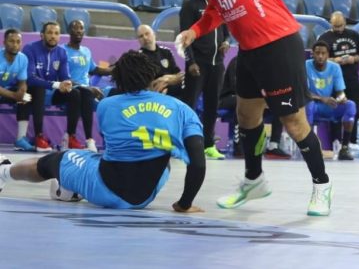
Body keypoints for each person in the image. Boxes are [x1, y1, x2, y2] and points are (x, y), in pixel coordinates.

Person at [177, 0, 333, 216]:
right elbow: (216, 11)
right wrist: (194, 30)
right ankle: (254, 179)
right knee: (246, 115)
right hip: (248, 50)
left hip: (278, 43)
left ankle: (322, 185)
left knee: (294, 122)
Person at [0, 50, 206, 214]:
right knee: (160, 156)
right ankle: (69, 188)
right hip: (144, 197)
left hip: (105, 189)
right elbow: (198, 163)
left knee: (53, 161)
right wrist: (184, 205)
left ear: (117, 79)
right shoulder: (181, 109)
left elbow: (123, 109)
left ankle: (4, 173)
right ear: (152, 74)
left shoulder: (107, 105)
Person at [180, 0, 230, 160]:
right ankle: (183, 143)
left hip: (217, 64)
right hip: (197, 65)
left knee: (212, 106)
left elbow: (226, 30)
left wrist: (226, 42)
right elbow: (184, 36)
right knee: (190, 105)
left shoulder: (220, 4)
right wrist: (191, 62)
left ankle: (209, 144)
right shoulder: (191, 5)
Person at [218, 56, 292, 159]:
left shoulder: (263, 64)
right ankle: (238, 146)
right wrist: (259, 99)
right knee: (241, 103)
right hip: (229, 97)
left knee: (278, 105)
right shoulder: (238, 61)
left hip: (254, 99)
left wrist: (268, 98)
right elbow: (237, 87)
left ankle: (273, 146)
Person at [22, 22, 75, 152]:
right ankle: (39, 136)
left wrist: (67, 84)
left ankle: (70, 138)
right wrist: (56, 84)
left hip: (52, 93)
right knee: (39, 89)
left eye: (56, 33)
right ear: (42, 35)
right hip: (32, 93)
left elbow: (65, 77)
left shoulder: (62, 52)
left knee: (76, 94)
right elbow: (30, 78)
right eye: (50, 33)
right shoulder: (30, 49)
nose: (53, 36)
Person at [63, 20, 113, 152]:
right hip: (69, 89)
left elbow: (95, 69)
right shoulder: (62, 50)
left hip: (85, 91)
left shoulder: (86, 51)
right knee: (84, 93)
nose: (79, 31)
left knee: (87, 94)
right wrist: (88, 88)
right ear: (69, 31)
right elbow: (64, 76)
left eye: (81, 28)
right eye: (75, 28)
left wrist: (114, 69)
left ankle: (89, 140)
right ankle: (79, 138)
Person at [318, 12, 359, 143]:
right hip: (334, 82)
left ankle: (352, 142)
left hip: (352, 79)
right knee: (335, 111)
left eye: (340, 26)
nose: (338, 29)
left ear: (345, 23)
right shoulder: (324, 38)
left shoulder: (354, 35)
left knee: (356, 111)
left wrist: (354, 58)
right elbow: (318, 59)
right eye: (335, 26)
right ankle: (336, 142)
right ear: (331, 24)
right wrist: (335, 60)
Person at [305, 41, 357, 160]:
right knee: (309, 105)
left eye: (323, 53)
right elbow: (303, 92)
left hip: (328, 106)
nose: (320, 56)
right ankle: (309, 147)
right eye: (317, 53)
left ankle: (344, 149)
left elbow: (340, 91)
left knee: (350, 105)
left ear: (328, 54)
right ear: (312, 54)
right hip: (313, 106)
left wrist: (341, 98)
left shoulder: (335, 67)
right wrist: (322, 98)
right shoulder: (305, 65)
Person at [0, 29, 34, 152]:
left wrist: (21, 92)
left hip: (7, 90)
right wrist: (14, 95)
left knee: (26, 98)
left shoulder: (23, 58)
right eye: (11, 41)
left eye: (18, 42)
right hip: (4, 91)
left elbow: (22, 81)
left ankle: (20, 139)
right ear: (4, 42)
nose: (15, 44)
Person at [136, 24, 184, 99]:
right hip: (155, 91)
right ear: (138, 40)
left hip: (170, 85)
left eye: (147, 34)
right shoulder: (138, 57)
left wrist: (167, 78)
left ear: (154, 34)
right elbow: (148, 84)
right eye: (141, 36)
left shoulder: (166, 52)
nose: (145, 37)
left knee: (188, 83)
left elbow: (178, 74)